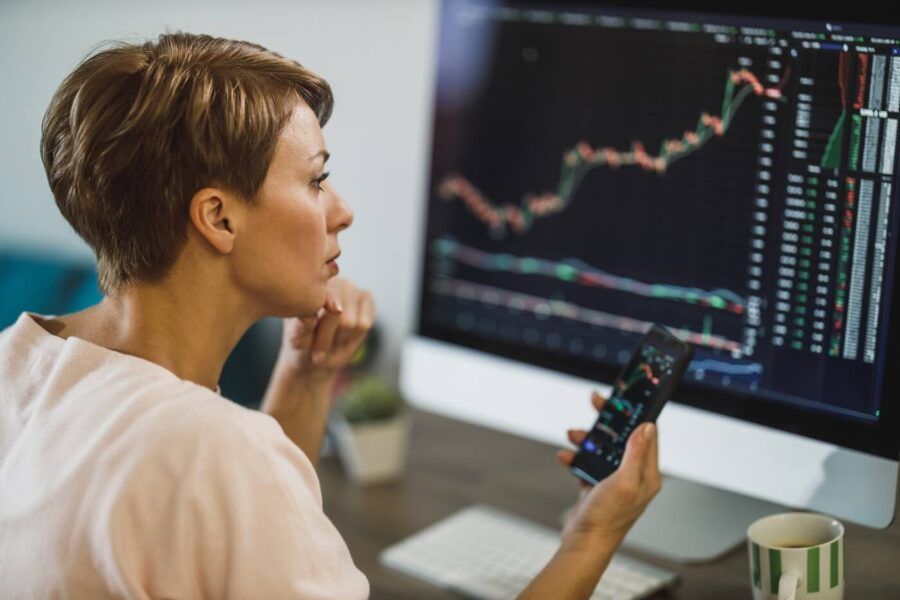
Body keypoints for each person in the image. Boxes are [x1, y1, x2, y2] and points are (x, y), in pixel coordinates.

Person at [0, 32, 660, 599]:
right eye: (316, 179)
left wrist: (307, 378)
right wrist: (591, 534)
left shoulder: (16, 360)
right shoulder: (215, 452)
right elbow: (227, 476)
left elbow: (241, 533)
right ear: (218, 218)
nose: (340, 211)